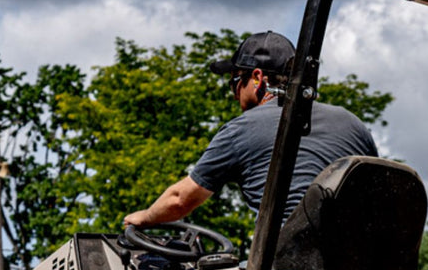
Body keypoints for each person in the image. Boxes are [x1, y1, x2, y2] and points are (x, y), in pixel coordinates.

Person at [122, 30, 378, 229]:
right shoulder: (352, 123)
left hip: (289, 269)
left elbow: (180, 200)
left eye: (235, 82)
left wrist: (144, 217)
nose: (235, 95)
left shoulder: (241, 130)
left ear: (256, 78)